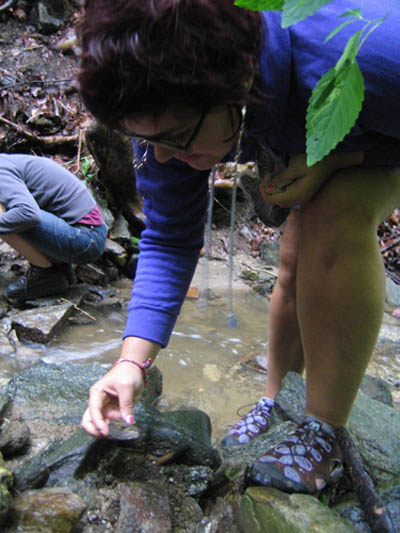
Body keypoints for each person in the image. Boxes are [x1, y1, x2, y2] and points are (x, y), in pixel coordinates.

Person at [77, 0, 400, 495]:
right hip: (327, 131)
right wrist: (130, 362)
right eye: (145, 140)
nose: (161, 156)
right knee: (295, 254)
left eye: (175, 139)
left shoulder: (366, 53)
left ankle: (324, 427)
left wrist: (342, 157)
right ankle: (278, 401)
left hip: (377, 130)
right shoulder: (164, 105)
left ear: (238, 82)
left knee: (333, 220)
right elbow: (168, 237)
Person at [0, 154, 108, 301]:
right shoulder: (7, 163)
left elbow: (28, 214)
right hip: (85, 234)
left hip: (85, 237)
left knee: (9, 214)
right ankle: (59, 269)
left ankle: (46, 274)